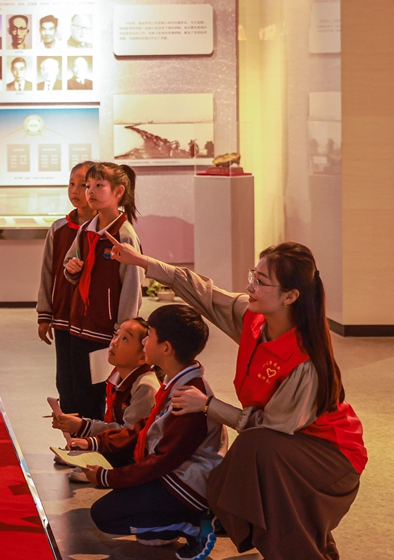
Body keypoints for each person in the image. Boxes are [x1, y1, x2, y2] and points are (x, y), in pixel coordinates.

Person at [105, 239, 367, 559]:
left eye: (261, 281)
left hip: (329, 455)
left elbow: (270, 427)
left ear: (290, 296)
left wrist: (207, 405)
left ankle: (220, 524)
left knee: (256, 451)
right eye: (252, 276)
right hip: (280, 444)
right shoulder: (252, 318)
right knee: (260, 463)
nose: (250, 286)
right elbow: (202, 291)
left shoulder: (304, 360)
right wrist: (143, 262)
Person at [83, 305, 225, 559]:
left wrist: (108, 478)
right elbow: (144, 429)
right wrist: (93, 442)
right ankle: (175, 520)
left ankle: (195, 524)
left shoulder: (189, 394)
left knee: (105, 515)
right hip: (173, 472)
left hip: (186, 483)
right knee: (146, 533)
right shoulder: (177, 380)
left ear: (166, 349)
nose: (145, 341)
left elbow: (162, 460)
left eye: (150, 336)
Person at [61, 162, 143, 419]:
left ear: (118, 192)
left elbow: (132, 286)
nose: (90, 192)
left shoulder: (124, 235)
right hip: (79, 326)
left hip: (104, 331)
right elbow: (69, 263)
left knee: (95, 395)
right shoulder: (87, 230)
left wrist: (122, 331)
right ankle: (77, 443)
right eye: (88, 186)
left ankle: (94, 447)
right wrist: (71, 269)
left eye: (99, 186)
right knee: (75, 390)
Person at [55, 318, 160, 477]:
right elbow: (113, 423)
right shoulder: (116, 376)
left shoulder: (146, 386)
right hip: (119, 445)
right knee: (77, 450)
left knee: (83, 466)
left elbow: (130, 434)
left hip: (134, 453)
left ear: (143, 356)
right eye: (116, 335)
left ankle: (101, 464)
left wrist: (85, 429)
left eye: (125, 339)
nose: (114, 342)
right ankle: (89, 456)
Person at [36, 161, 95, 412]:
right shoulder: (59, 228)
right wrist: (44, 314)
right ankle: (72, 439)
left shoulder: (107, 230)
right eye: (72, 184)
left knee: (91, 383)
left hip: (93, 323)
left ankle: (92, 439)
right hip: (62, 318)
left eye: (83, 185)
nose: (75, 191)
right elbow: (47, 273)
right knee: (66, 381)